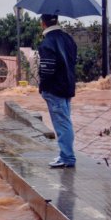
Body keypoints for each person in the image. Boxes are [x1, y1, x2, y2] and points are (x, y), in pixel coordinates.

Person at [38, 14, 77, 168]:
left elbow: (47, 70)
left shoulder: (47, 43)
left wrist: (42, 87)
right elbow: (73, 62)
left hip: (54, 89)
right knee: (66, 121)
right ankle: (65, 155)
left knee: (62, 124)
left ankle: (67, 157)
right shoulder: (68, 39)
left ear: (43, 23)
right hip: (67, 86)